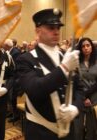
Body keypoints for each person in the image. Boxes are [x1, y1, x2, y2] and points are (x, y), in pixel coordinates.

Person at [16, 8, 80, 140]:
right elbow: (35, 89)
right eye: (51, 27)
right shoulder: (26, 59)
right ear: (38, 31)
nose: (56, 31)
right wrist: (64, 68)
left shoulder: (66, 57)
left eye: (58, 27)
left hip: (68, 131)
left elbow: (79, 88)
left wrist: (76, 107)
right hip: (42, 131)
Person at [73, 37, 97, 140]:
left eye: (88, 45)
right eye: (83, 46)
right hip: (80, 98)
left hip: (94, 99)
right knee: (77, 130)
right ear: (80, 49)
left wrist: (88, 96)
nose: (86, 48)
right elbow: (75, 82)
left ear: (92, 47)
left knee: (92, 130)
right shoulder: (76, 63)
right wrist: (84, 97)